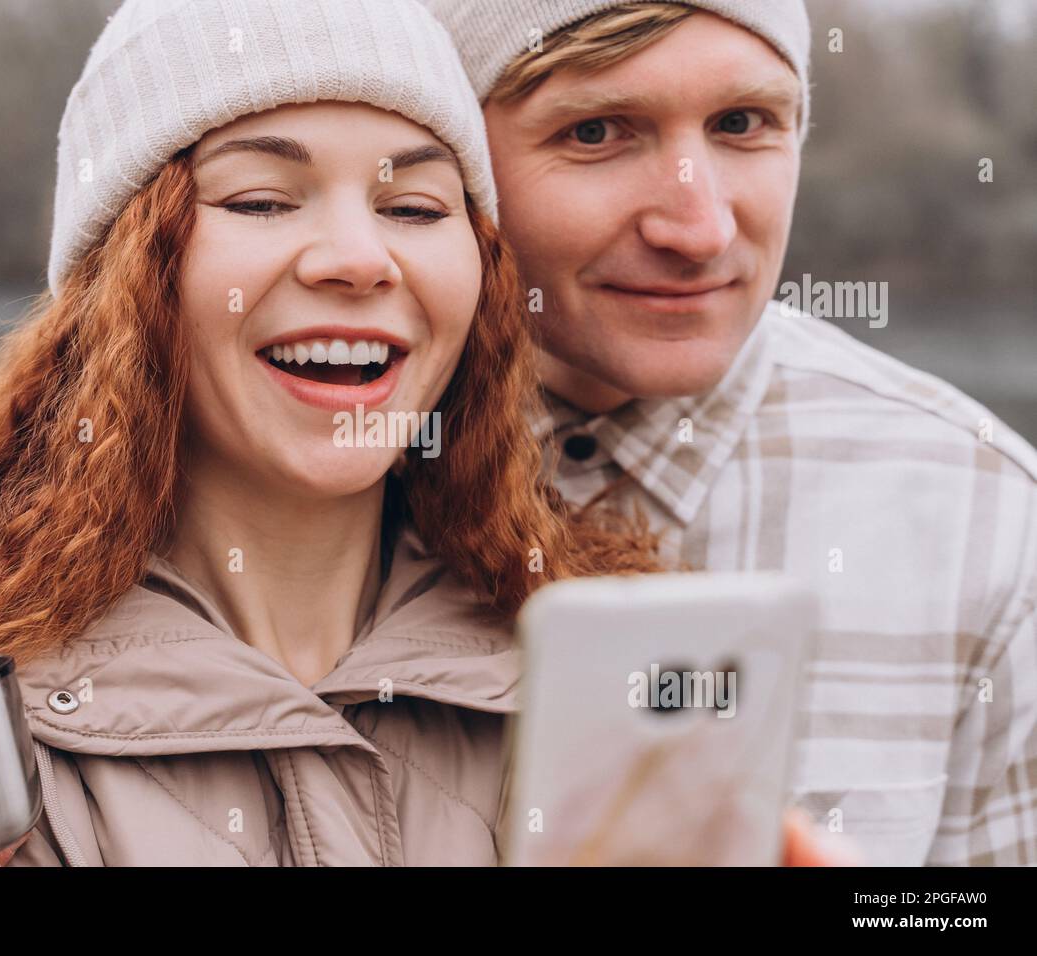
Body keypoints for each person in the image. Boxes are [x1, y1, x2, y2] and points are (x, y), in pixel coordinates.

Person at [0, 0, 674, 867]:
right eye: (262, 200)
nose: (358, 257)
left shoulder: (606, 683)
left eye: (416, 209)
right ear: (126, 286)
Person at [422, 0, 1037, 865]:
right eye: (597, 132)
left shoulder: (989, 515)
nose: (699, 229)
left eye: (742, 124)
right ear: (453, 159)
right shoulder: (313, 466)